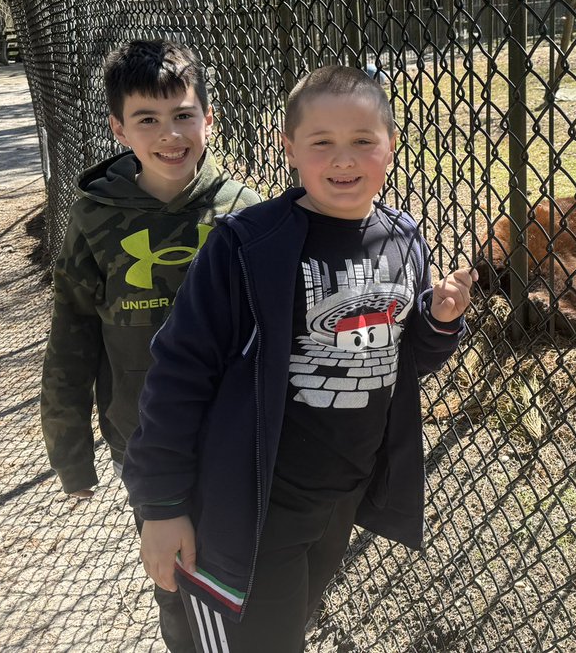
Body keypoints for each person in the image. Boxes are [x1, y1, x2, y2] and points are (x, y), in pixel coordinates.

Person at [123, 64, 476, 653]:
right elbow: (177, 374)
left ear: (391, 145)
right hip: (255, 507)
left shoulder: (404, 238)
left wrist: (441, 323)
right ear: (289, 149)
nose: (344, 159)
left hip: (341, 495)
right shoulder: (247, 244)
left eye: (363, 141)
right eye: (322, 143)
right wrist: (160, 506)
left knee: (286, 630)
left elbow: (399, 357)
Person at [40, 38, 260, 653]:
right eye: (147, 120)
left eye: (183, 115)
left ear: (209, 119)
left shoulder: (243, 214)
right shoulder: (94, 219)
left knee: (240, 575)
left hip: (232, 438)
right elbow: (71, 339)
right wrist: (71, 453)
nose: (170, 135)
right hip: (143, 441)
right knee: (176, 576)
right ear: (118, 128)